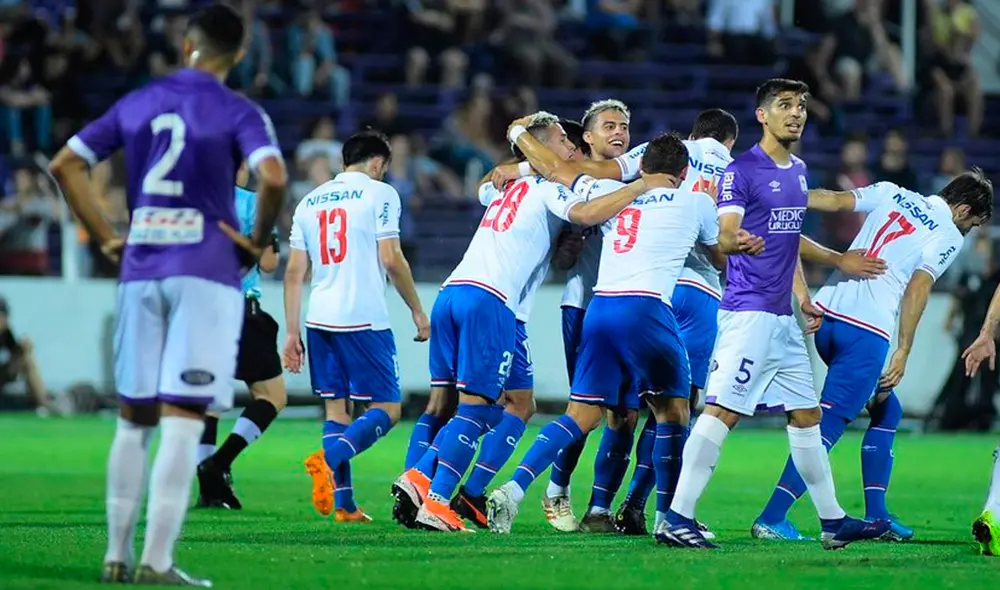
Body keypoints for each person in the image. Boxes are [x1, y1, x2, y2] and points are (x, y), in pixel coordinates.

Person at [47, 4, 287, 584]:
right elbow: (274, 176)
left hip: (141, 266)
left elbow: (65, 164)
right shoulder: (238, 109)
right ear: (240, 54)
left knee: (133, 419)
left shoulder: (140, 101)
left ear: (186, 46)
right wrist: (255, 243)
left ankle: (115, 556)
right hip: (205, 273)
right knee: (183, 419)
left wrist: (105, 237)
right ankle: (157, 561)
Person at [392, 111, 671, 533]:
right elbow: (585, 212)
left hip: (456, 293)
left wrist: (517, 164)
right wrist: (639, 186)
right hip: (492, 302)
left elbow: (488, 185)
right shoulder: (547, 188)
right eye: (562, 141)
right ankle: (433, 495)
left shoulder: (505, 186)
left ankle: (444, 485)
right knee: (475, 409)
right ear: (540, 145)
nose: (570, 150)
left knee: (519, 403)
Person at [656, 78, 890, 550]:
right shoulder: (741, 171)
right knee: (722, 409)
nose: (796, 113)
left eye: (801, 105)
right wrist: (734, 241)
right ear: (762, 115)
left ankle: (832, 520)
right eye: (784, 105)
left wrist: (817, 279)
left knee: (805, 416)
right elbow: (724, 234)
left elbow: (788, 236)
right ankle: (676, 517)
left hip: (782, 319)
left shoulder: (799, 170)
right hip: (749, 314)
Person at [485, 131, 737, 535]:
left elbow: (558, 171)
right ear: (685, 171)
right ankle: (669, 519)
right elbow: (722, 258)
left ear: (641, 166)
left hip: (600, 308)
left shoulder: (608, 191)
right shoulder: (697, 201)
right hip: (648, 308)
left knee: (580, 414)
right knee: (674, 411)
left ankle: (514, 490)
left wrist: (516, 136)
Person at [753, 172, 990, 543]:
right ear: (962, 209)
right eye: (972, 223)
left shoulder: (890, 192)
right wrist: (904, 348)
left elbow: (831, 198)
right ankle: (772, 516)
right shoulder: (946, 235)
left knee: (886, 409)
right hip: (865, 331)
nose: (969, 231)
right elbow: (917, 288)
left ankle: (877, 516)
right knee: (826, 425)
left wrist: (784, 197)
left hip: (828, 315)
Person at [282, 131, 429, 525]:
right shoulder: (381, 194)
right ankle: (327, 461)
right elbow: (391, 257)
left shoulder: (309, 201)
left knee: (337, 408)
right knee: (387, 408)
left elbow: (295, 272)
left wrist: (292, 333)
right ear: (378, 163)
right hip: (362, 317)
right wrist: (416, 309)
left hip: (319, 317)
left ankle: (345, 506)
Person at [196, 162, 287, 511]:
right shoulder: (253, 203)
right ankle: (218, 464)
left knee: (211, 400)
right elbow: (267, 264)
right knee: (272, 396)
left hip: (200, 310)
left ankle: (208, 490)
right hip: (239, 309)